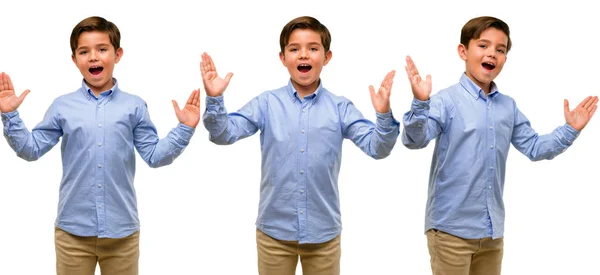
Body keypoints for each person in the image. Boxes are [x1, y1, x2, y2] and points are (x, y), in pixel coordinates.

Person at [0, 16, 200, 275]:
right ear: (75, 59)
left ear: (117, 54)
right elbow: (31, 149)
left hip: (122, 235)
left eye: (102, 49)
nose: (93, 57)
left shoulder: (134, 106)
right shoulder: (62, 106)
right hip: (72, 234)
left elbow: (154, 155)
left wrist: (185, 128)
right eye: (84, 51)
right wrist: (10, 115)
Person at [201, 15, 399, 275]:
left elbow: (378, 148)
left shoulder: (340, 108)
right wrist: (215, 99)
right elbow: (223, 134)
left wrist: (383, 114)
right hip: (274, 234)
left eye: (313, 48)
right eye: (294, 49)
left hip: (323, 235)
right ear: (283, 58)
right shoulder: (267, 103)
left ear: (326, 57)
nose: (303, 55)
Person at [402, 15, 598, 275]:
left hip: (492, 233)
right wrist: (420, 103)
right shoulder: (444, 101)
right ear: (463, 51)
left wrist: (571, 129)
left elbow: (535, 148)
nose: (492, 54)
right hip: (450, 232)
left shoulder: (508, 106)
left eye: (500, 49)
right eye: (483, 46)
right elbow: (414, 141)